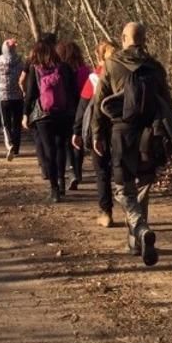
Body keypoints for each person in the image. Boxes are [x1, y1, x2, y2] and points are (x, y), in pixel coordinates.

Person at [90, 22, 172, 265]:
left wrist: (97, 134)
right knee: (144, 185)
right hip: (150, 134)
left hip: (122, 135)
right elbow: (167, 105)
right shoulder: (155, 67)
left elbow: (98, 102)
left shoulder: (112, 65)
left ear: (124, 38)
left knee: (124, 189)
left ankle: (139, 227)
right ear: (144, 40)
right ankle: (135, 242)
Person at [22, 36, 78, 202]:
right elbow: (73, 91)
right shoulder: (64, 67)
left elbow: (30, 94)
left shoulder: (35, 69)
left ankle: (54, 189)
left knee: (49, 151)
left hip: (44, 116)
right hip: (64, 114)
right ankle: (61, 181)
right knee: (61, 147)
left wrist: (25, 114)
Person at [75, 40, 117, 227]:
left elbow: (83, 107)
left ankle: (106, 212)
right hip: (121, 128)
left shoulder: (94, 78)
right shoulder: (124, 75)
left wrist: (76, 131)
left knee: (102, 172)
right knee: (123, 170)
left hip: (97, 130)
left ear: (98, 56)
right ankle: (132, 211)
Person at [57, 40, 90, 191]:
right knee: (79, 139)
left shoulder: (60, 70)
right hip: (82, 108)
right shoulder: (84, 70)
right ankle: (78, 170)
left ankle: (72, 170)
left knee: (67, 140)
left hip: (66, 108)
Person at [0, 38, 24, 158]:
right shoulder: (20, 62)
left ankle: (9, 144)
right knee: (17, 123)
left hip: (3, 97)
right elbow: (25, 78)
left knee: (6, 123)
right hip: (18, 97)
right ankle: (16, 148)